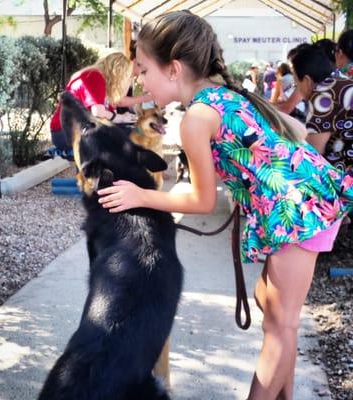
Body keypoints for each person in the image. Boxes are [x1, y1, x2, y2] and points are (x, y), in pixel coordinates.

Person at [98, 11, 353, 399]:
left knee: (280, 325)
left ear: (173, 69)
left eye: (144, 70)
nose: (139, 81)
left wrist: (141, 195)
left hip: (300, 210)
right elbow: (297, 131)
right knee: (271, 305)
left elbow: (201, 199)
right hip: (304, 201)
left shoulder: (197, 117)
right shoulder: (221, 95)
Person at [50, 52, 136, 151]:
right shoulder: (95, 76)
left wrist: (126, 119)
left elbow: (110, 117)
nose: (128, 80)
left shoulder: (104, 84)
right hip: (64, 132)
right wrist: (121, 118)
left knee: (127, 132)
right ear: (119, 72)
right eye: (128, 76)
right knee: (122, 138)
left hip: (80, 130)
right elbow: (97, 112)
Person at [292, 44, 353, 173]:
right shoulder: (340, 81)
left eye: (296, 82)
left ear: (307, 80)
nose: (296, 87)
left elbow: (314, 152)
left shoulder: (323, 94)